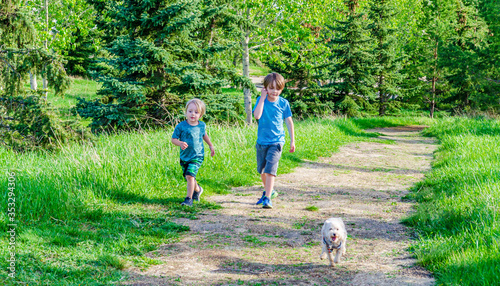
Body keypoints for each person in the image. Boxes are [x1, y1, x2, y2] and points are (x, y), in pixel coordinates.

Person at [253, 72, 295, 209]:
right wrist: (262, 98)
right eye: (271, 88)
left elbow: (289, 122)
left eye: (277, 89)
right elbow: (257, 116)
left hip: (277, 142)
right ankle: (269, 191)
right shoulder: (261, 100)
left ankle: (268, 198)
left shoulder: (283, 103)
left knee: (270, 170)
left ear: (281, 89)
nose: (274, 91)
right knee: (262, 170)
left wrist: (292, 140)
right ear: (265, 88)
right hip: (261, 142)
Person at [171, 98, 215, 206]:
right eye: (190, 111)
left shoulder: (201, 125)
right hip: (184, 157)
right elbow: (173, 139)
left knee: (190, 176)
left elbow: (204, 135)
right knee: (189, 177)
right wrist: (180, 143)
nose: (192, 114)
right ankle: (198, 189)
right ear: (186, 112)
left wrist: (210, 145)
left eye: (196, 112)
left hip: (197, 155)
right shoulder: (181, 126)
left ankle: (188, 199)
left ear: (200, 115)